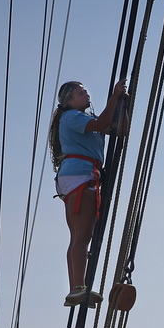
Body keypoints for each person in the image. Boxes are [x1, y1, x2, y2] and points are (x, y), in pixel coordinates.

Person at [49, 78, 128, 307]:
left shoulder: (84, 120)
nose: (86, 95)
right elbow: (103, 121)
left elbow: (120, 130)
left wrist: (122, 106)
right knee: (82, 237)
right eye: (80, 93)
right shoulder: (72, 117)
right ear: (69, 100)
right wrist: (114, 97)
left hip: (74, 177)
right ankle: (77, 288)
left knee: (78, 236)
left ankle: (76, 286)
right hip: (81, 176)